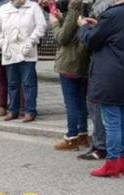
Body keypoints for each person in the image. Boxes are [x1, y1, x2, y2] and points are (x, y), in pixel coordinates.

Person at [78, 0, 124, 177]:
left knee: (112, 123)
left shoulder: (114, 14)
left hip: (111, 74)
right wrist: (99, 25)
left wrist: (84, 27)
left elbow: (91, 40)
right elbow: (115, 34)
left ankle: (112, 163)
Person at [0, 0, 45, 122]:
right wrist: (2, 43)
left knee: (28, 82)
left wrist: (31, 41)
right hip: (10, 50)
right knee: (12, 83)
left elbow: (41, 26)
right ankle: (13, 110)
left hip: (27, 50)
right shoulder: (4, 9)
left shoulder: (34, 7)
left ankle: (30, 111)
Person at [50, 0, 89, 149]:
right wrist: (61, 19)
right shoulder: (86, 8)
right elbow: (73, 32)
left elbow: (63, 38)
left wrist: (54, 23)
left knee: (71, 103)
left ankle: (71, 137)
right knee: (80, 101)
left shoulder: (74, 8)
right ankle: (83, 135)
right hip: (82, 62)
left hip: (69, 62)